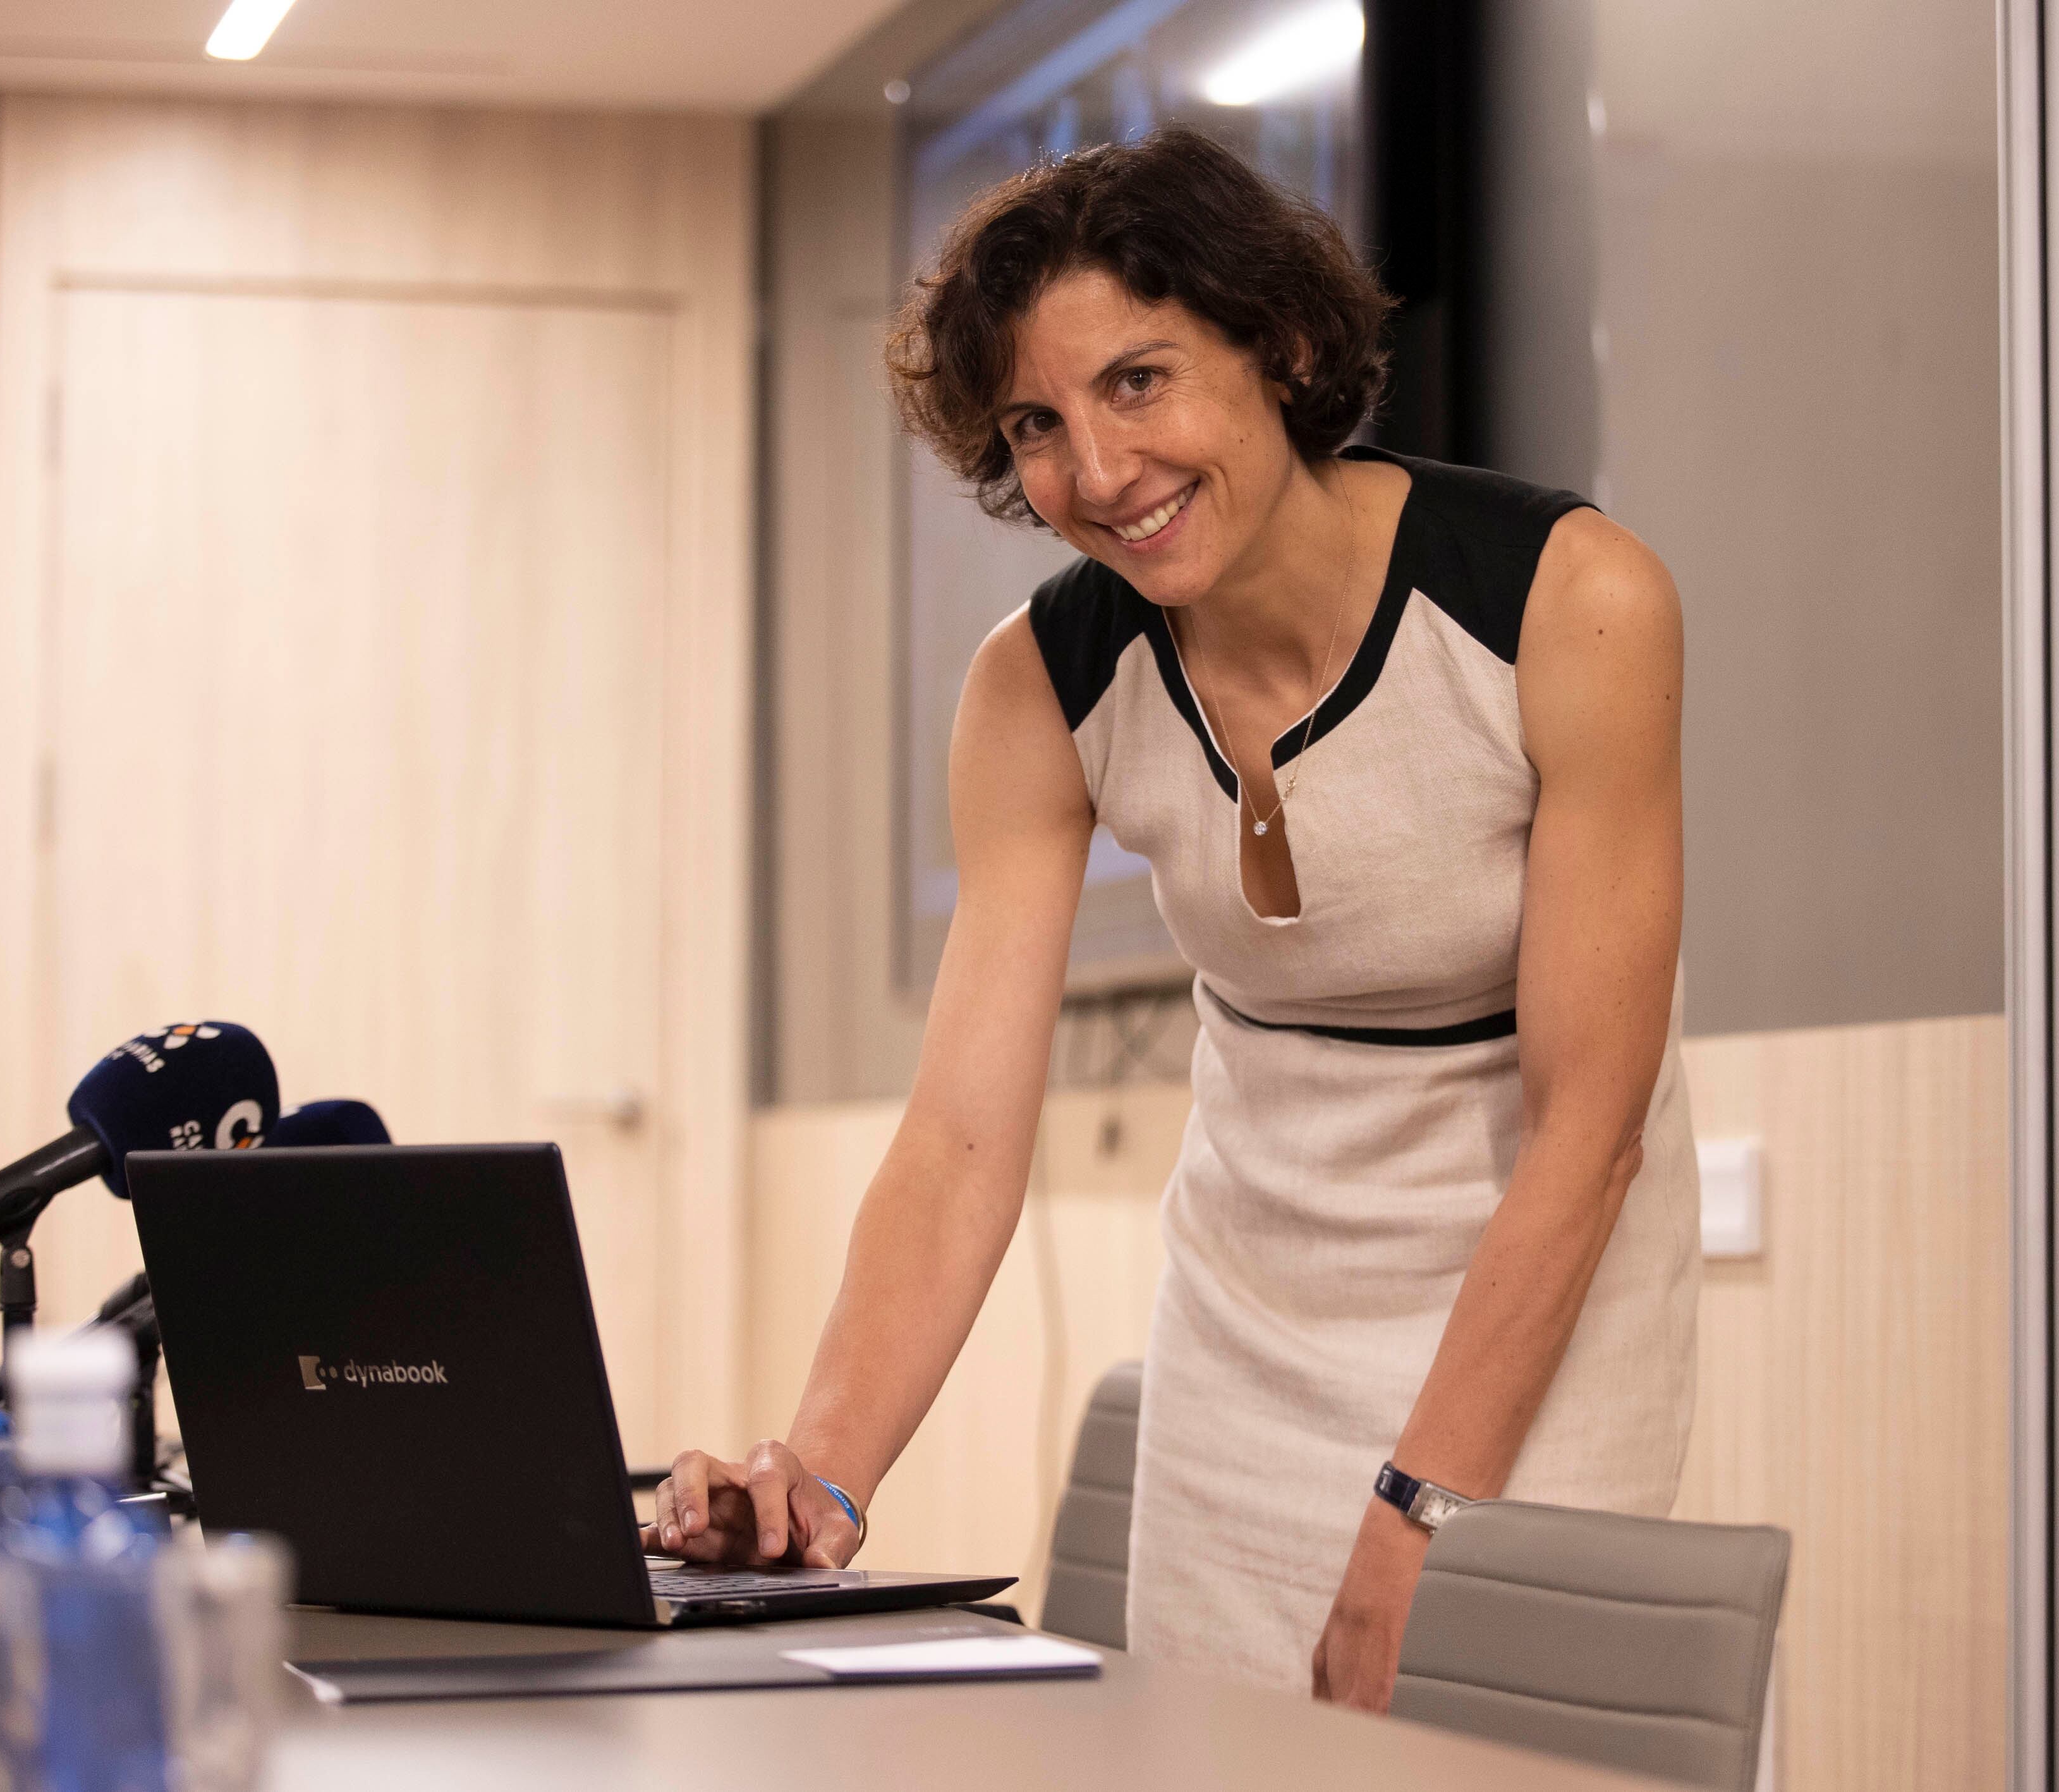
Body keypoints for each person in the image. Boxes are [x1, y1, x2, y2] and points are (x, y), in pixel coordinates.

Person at [645, 125, 1699, 1709]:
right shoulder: (1038, 684)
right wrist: (824, 1483)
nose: (1098, 470)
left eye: (1138, 380)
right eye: (1036, 424)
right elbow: (956, 1143)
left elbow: (1587, 1133)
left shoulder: (1566, 600)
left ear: (1275, 342)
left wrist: (1421, 1510)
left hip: (1541, 1310)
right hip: (1248, 1330)